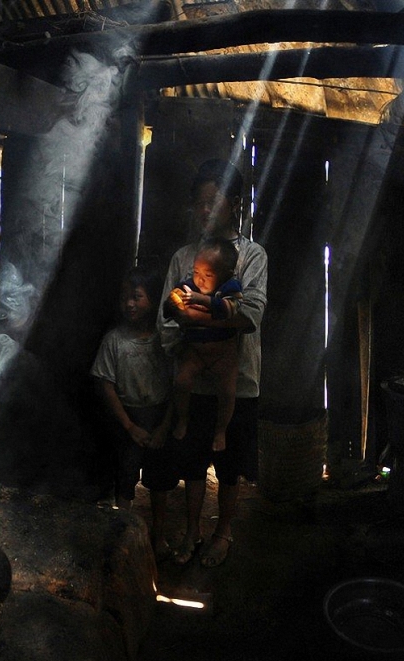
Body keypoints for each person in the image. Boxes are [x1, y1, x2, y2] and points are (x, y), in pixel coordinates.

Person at [158, 158, 268, 568]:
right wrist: (213, 317)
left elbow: (251, 315)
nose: (206, 210)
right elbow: (168, 318)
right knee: (191, 464)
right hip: (193, 379)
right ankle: (192, 530)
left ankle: (223, 532)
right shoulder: (184, 257)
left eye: (215, 201)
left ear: (235, 203)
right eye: (200, 203)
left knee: (230, 467)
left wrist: (197, 314)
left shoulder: (251, 256)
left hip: (236, 381)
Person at [91, 265, 177, 561]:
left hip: (158, 416)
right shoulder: (114, 341)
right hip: (128, 420)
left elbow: (178, 385)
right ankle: (121, 538)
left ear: (152, 300)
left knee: (160, 482)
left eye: (137, 297)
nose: (130, 303)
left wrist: (165, 426)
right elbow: (107, 384)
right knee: (125, 480)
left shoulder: (164, 340)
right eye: (125, 297)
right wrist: (129, 426)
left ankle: (159, 537)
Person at [164, 237, 243, 452]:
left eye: (208, 275)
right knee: (181, 382)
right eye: (196, 272)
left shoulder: (230, 287)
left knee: (228, 391)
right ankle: (182, 419)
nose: (200, 280)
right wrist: (173, 301)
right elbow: (170, 310)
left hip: (223, 351)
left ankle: (221, 430)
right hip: (195, 351)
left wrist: (203, 301)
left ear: (226, 273)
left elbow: (232, 309)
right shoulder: (189, 285)